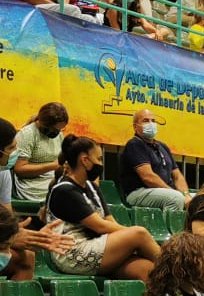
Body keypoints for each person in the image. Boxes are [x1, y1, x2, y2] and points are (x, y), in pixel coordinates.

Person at [45, 136, 161, 280]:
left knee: (146, 269)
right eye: (99, 159)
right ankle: (179, 272)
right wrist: (133, 236)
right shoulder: (65, 190)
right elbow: (100, 226)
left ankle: (166, 289)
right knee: (139, 233)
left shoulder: (92, 187)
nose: (101, 164)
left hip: (99, 247)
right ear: (85, 160)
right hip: (72, 253)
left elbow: (110, 221)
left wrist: (126, 239)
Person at [119, 108, 189, 210]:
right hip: (139, 193)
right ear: (135, 127)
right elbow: (148, 177)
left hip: (165, 192)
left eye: (153, 121)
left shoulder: (162, 146)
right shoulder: (134, 144)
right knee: (176, 198)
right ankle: (170, 221)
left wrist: (186, 195)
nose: (151, 124)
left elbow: (177, 176)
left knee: (201, 200)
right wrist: (174, 192)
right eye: (145, 121)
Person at [10, 102, 68, 205]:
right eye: (55, 129)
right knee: (65, 191)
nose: (58, 132)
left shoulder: (58, 135)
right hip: (32, 185)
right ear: (44, 124)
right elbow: (19, 169)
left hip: (51, 177)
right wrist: (53, 166)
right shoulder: (28, 134)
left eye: (61, 129)